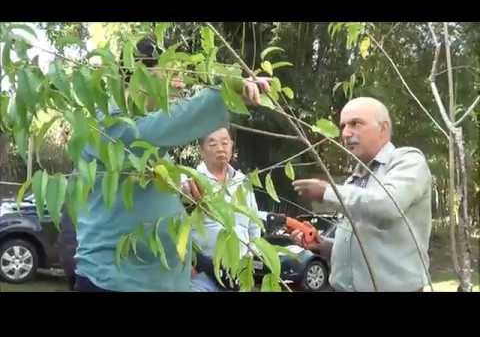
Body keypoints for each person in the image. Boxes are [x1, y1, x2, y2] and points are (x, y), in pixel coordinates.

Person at [73, 37, 270, 292]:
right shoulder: (112, 123)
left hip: (152, 282)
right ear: (140, 73)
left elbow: (143, 193)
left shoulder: (152, 144)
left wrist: (184, 197)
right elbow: (167, 125)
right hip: (114, 282)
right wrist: (228, 94)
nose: (179, 84)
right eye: (171, 74)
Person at [291, 97, 432, 292]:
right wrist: (323, 246)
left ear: (383, 128)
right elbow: (360, 245)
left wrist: (327, 192)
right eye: (343, 126)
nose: (346, 133)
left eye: (356, 124)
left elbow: (387, 206)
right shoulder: (355, 178)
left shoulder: (408, 161)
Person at [183, 127, 265, 292]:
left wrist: (250, 262)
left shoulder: (243, 183)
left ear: (232, 146)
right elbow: (178, 229)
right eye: (212, 143)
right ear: (201, 150)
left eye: (225, 143)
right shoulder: (191, 182)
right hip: (201, 274)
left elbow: (254, 226)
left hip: (238, 275)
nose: (220, 148)